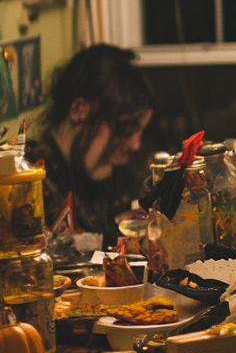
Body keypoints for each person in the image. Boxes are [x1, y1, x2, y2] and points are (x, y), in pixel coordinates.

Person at [28, 44, 156, 246]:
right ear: (79, 110)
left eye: (139, 131)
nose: (135, 145)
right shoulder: (29, 181)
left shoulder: (123, 173)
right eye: (125, 130)